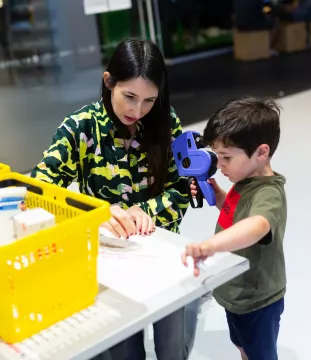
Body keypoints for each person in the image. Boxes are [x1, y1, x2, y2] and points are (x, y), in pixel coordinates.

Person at [31, 38, 196, 360]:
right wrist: (95, 212)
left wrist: (144, 211)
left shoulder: (166, 121)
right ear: (109, 83)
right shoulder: (80, 128)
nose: (137, 110)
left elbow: (181, 187)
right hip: (110, 260)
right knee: (126, 351)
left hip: (162, 251)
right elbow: (39, 190)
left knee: (172, 349)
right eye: (129, 97)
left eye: (149, 100)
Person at [183, 96, 287, 360]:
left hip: (257, 300)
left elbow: (256, 225)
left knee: (259, 354)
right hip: (237, 293)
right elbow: (239, 216)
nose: (219, 165)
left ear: (261, 152)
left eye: (226, 157)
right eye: (218, 156)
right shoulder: (245, 179)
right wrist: (219, 197)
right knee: (243, 347)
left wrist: (210, 245)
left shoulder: (269, 194)